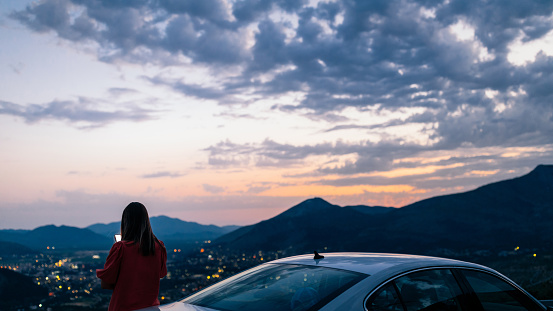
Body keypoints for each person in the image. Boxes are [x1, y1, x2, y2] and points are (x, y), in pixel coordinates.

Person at [97, 202, 167, 311]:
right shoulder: (159, 247)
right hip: (151, 308)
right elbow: (161, 274)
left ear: (125, 222)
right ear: (146, 221)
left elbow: (105, 284)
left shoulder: (120, 248)